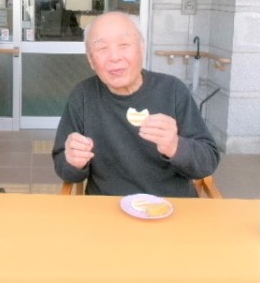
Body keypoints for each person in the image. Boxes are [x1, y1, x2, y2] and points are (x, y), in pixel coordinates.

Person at [52, 11, 220, 197]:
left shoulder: (172, 90)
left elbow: (207, 162)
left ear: (142, 48)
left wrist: (175, 146)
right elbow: (64, 167)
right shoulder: (83, 96)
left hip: (170, 205)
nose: (114, 57)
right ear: (91, 60)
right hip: (106, 207)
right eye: (102, 48)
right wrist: (74, 162)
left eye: (124, 45)